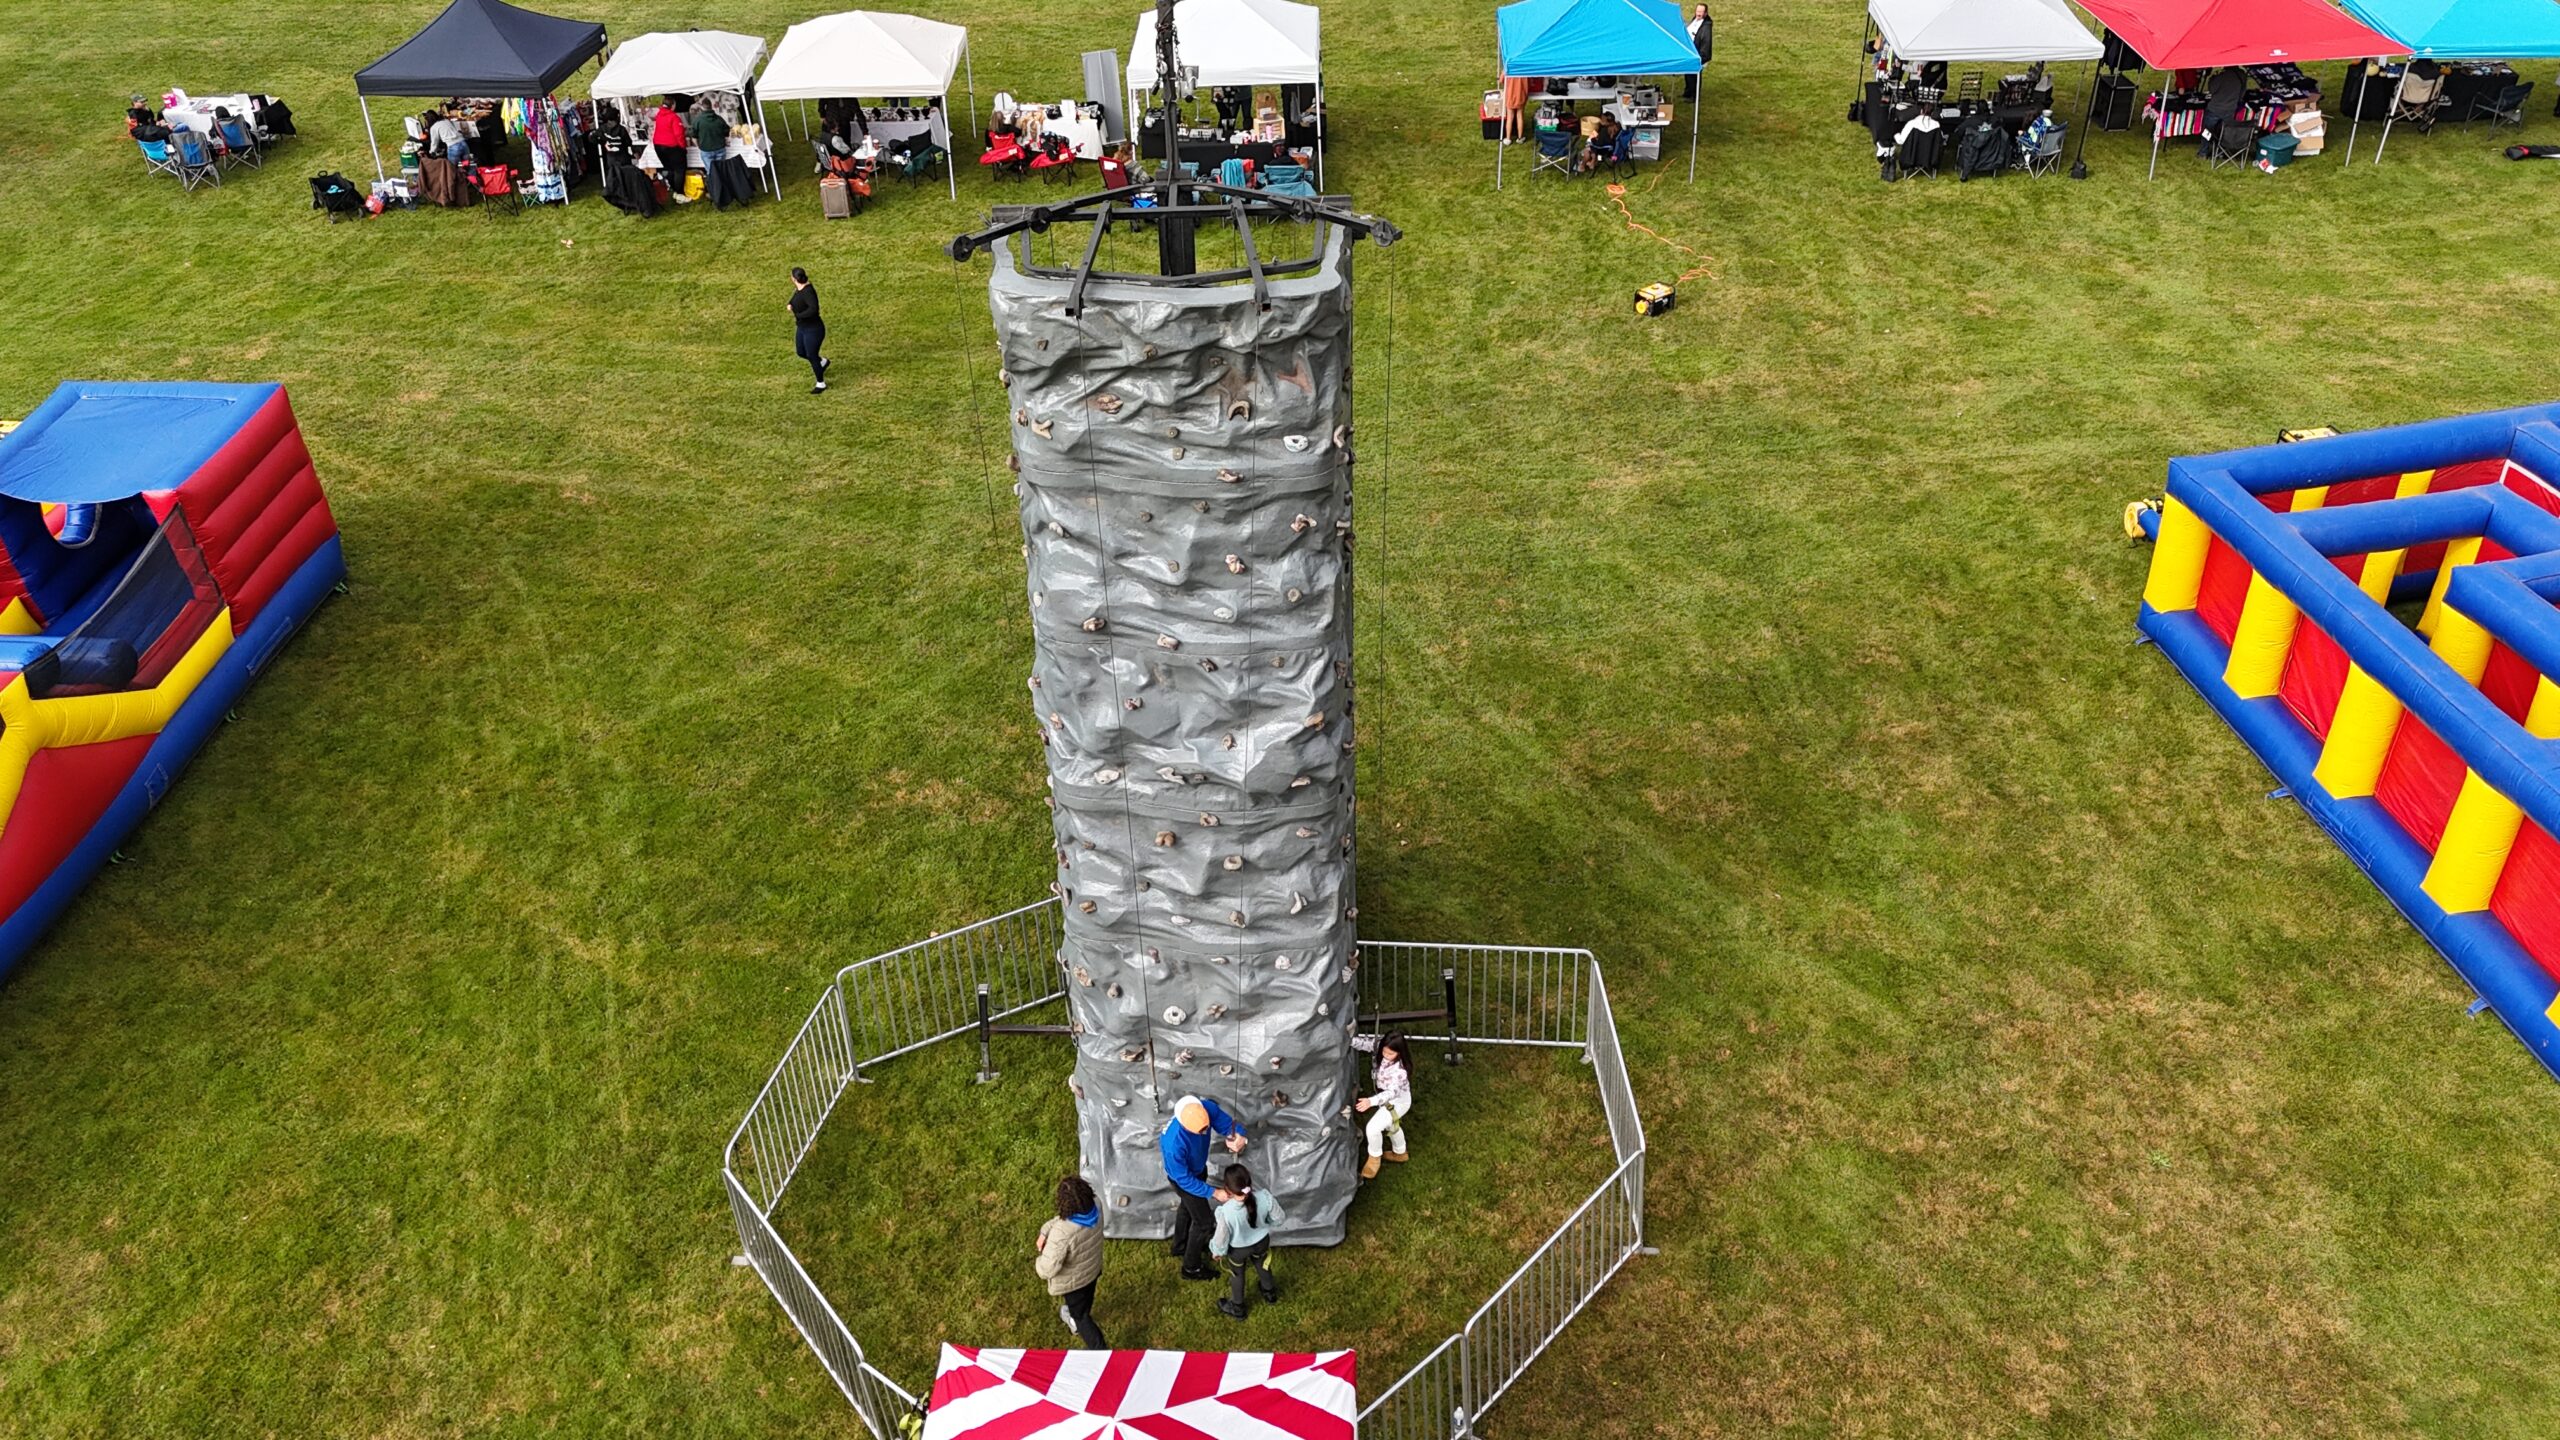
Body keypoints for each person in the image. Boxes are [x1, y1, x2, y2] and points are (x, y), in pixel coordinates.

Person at [1160, 1094, 1246, 1280]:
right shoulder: (1173, 1145)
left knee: (1187, 1208)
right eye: (1200, 1131)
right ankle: (1191, 1268)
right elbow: (1184, 1180)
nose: (1205, 1132)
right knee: (1204, 1222)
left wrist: (1237, 1135)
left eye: (1206, 1128)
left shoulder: (1204, 1108)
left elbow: (1227, 1124)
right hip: (1184, 1179)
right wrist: (1214, 1192)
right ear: (1184, 1125)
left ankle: (1180, 1246)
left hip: (1198, 1168)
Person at [1034, 1174, 1107, 1349]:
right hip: (1092, 1269)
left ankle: (1101, 1351)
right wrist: (1045, 1231)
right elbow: (1061, 1221)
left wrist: (1039, 1260)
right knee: (1086, 1300)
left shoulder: (1063, 1234)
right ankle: (1078, 1313)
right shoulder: (1096, 1205)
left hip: (1074, 1282)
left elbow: (1047, 1270)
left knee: (1082, 1317)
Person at [1208, 1164, 1282, 1321]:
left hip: (1238, 1251)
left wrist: (1217, 1252)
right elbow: (1279, 1217)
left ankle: (1238, 1307)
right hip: (1262, 1242)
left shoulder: (1226, 1212)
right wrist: (1266, 1224)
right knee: (1263, 1265)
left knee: (1237, 1274)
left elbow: (1221, 1237)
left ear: (1228, 1190)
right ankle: (1269, 1292)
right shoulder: (1265, 1197)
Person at [1351, 1032, 1413, 1180]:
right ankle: (1400, 1152)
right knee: (1391, 1125)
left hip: (1397, 1101)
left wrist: (1370, 1102)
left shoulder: (1400, 1072)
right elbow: (1365, 1045)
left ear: (1400, 1053)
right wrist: (1346, 1040)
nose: (1385, 1055)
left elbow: (1391, 1093)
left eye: (1390, 1053)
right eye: (1384, 1051)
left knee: (1372, 1128)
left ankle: (1374, 1159)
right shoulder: (1381, 1048)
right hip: (1386, 1098)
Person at [787, 267, 829, 394]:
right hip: (802, 328)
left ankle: (821, 384)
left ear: (794, 279)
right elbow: (796, 297)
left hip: (814, 329)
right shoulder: (799, 289)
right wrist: (790, 304)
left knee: (811, 355)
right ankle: (822, 362)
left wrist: (798, 315)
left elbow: (813, 309)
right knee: (801, 352)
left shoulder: (808, 291)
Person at [650, 99, 689, 196]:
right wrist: (683, 147)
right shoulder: (674, 117)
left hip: (658, 145)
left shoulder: (658, 115)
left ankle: (673, 187)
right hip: (672, 146)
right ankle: (679, 192)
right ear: (673, 106)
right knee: (679, 169)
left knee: (667, 168)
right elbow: (679, 134)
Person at [1685, 4, 1713, 101]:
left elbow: (1706, 42)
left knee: (1694, 76)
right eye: (1697, 11)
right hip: (1690, 51)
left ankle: (1694, 96)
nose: (1698, 13)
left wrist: (1702, 57)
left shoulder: (1706, 27)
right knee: (1688, 74)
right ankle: (1688, 92)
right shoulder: (1694, 20)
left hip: (1698, 53)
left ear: (1705, 13)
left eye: (1701, 12)